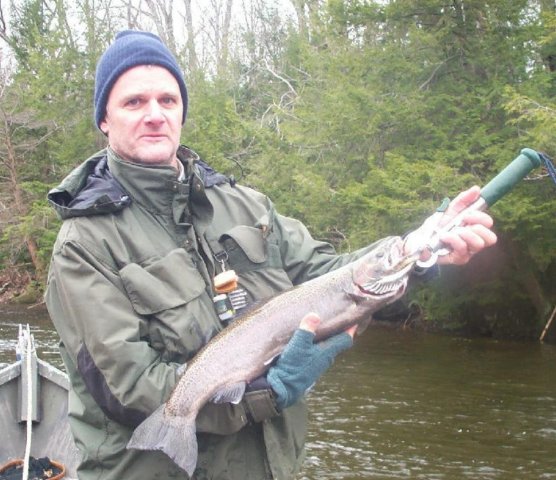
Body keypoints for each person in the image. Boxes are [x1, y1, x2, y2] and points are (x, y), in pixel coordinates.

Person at [45, 30, 497, 480]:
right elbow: (125, 388)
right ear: (104, 118)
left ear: (182, 110)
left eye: (167, 100)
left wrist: (417, 252)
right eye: (133, 102)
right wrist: (267, 392)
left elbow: (331, 277)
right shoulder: (83, 247)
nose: (155, 115)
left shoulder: (246, 205)